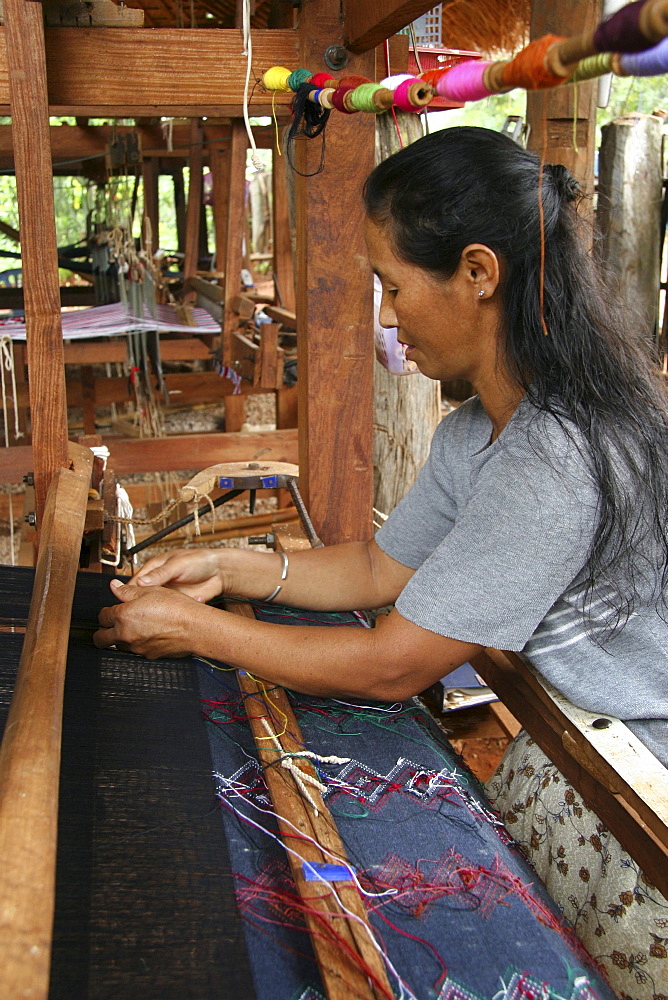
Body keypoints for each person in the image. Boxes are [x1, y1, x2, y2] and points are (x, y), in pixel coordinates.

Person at [95, 127, 668, 996]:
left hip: (640, 800)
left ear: (479, 273)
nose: (389, 319)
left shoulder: (553, 458)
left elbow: (392, 663)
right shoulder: (481, 431)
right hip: (576, 748)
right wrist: (233, 568)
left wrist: (196, 631)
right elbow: (375, 567)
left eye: (392, 287)